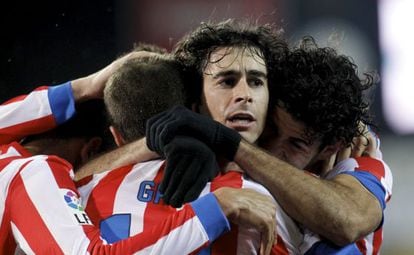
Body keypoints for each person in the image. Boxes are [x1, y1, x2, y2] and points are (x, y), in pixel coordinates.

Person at [0, 51, 272, 254]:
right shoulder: (32, 174)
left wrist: (81, 89)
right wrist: (216, 207)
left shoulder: (8, 162)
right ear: (93, 148)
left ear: (116, 136)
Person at [147, 35, 392, 254]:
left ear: (328, 149)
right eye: (272, 129)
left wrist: (228, 142)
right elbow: (139, 77)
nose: (272, 151)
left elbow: (347, 221)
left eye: (296, 145)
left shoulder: (359, 163)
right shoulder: (214, 140)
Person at [77, 48, 282, 255]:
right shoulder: (254, 201)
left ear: (117, 136)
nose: (244, 96)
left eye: (256, 82)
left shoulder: (77, 193)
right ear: (192, 111)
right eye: (227, 82)